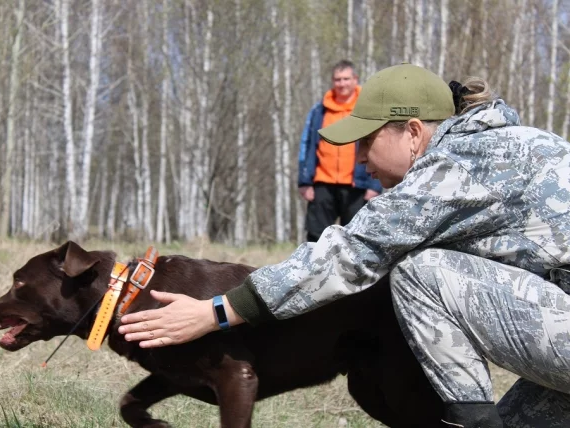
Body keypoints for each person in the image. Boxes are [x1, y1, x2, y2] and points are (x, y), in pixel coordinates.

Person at [119, 64, 570, 427]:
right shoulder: (513, 144)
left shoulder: (456, 163)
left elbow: (348, 253)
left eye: (367, 142)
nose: (359, 160)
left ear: (413, 132)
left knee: (420, 271)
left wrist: (213, 311)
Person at [298, 60, 382, 242]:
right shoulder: (319, 110)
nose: (342, 84)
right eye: (337, 79)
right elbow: (307, 144)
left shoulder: (368, 108)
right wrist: (304, 181)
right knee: (315, 237)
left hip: (357, 185)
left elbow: (378, 145)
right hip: (322, 183)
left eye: (346, 79)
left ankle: (351, 272)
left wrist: (375, 184)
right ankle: (315, 271)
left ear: (355, 79)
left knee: (356, 238)